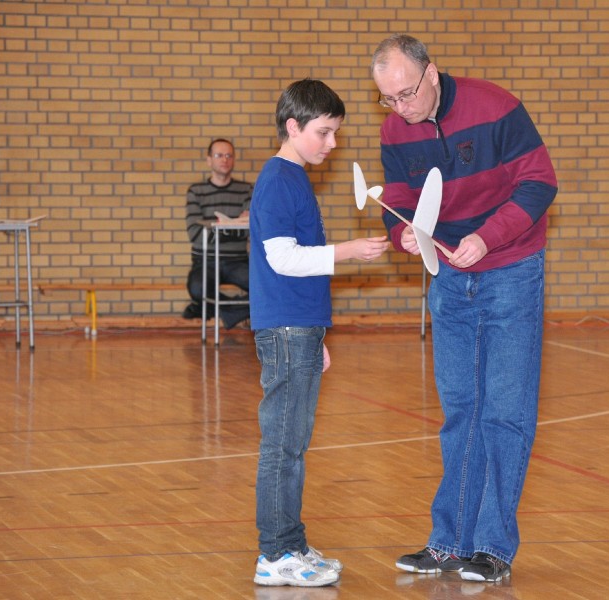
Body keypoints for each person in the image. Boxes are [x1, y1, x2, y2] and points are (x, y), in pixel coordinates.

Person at [371, 34, 558, 582]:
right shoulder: (394, 129)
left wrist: (487, 237)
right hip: (449, 277)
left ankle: (493, 547)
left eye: (407, 94)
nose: (400, 108)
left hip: (511, 270)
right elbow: (398, 197)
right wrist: (402, 231)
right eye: (388, 99)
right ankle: (450, 542)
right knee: (461, 411)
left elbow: (539, 183)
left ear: (431, 73)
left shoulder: (496, 107)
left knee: (504, 410)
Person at [248, 79, 389, 587]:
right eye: (324, 133)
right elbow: (282, 259)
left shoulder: (294, 178)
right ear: (293, 126)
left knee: (293, 443)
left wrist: (317, 337)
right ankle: (275, 555)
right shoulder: (278, 180)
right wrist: (349, 251)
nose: (332, 143)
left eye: (335, 133)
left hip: (299, 328)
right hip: (287, 328)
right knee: (283, 446)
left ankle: (291, 543)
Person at [183, 138, 252, 329]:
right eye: (219, 155)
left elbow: (252, 228)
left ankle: (205, 308)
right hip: (205, 261)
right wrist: (234, 228)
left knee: (266, 286)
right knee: (197, 288)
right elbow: (195, 235)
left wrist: (217, 229)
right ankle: (234, 312)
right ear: (209, 160)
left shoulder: (247, 190)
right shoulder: (196, 191)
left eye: (229, 155)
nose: (225, 159)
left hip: (237, 262)